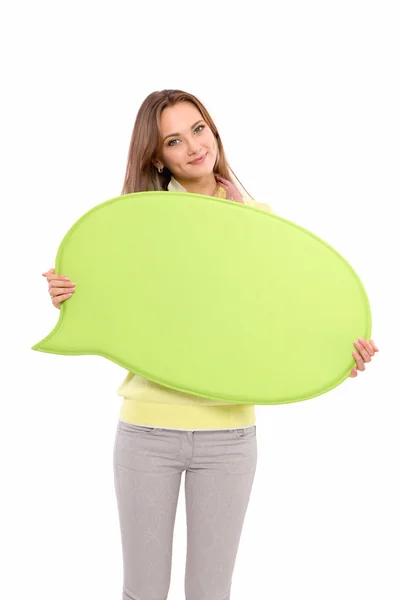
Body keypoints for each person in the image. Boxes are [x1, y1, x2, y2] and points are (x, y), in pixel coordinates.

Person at [42, 89, 379, 600]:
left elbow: (282, 319)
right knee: (143, 592)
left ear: (213, 130)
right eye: (174, 141)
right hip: (147, 431)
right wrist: (69, 294)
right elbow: (115, 304)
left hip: (229, 439)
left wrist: (337, 355)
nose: (194, 147)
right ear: (158, 156)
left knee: (210, 593)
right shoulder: (137, 225)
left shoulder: (261, 222)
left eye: (199, 129)